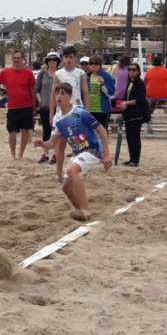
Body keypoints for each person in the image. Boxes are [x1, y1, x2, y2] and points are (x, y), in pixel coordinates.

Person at [33, 83, 111, 221]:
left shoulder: (80, 113)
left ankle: (85, 209)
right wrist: (42, 144)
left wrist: (107, 154)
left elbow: (102, 131)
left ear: (70, 96)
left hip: (92, 149)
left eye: (63, 93)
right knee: (66, 188)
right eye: (57, 93)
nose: (59, 96)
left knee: (71, 170)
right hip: (78, 152)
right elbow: (53, 143)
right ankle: (81, 211)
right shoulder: (57, 118)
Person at [0, 50, 37, 160]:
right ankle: (13, 155)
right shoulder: (6, 72)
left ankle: (21, 154)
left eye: (18, 58)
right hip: (12, 107)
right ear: (12, 59)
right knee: (12, 132)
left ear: (22, 59)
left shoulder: (28, 73)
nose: (16, 60)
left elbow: (33, 90)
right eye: (14, 58)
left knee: (25, 131)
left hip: (26, 106)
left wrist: (34, 106)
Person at [50, 45, 89, 124]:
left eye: (71, 57)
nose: (68, 59)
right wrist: (51, 115)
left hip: (77, 109)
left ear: (75, 57)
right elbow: (53, 94)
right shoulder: (57, 74)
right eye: (66, 57)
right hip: (61, 111)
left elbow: (86, 93)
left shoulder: (81, 73)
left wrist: (87, 112)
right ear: (63, 58)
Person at [119, 62, 148, 166]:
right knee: (129, 137)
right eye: (129, 69)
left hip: (136, 114)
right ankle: (132, 158)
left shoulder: (140, 83)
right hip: (128, 113)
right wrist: (123, 103)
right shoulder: (129, 83)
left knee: (135, 137)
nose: (131, 71)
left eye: (134, 70)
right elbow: (126, 96)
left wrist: (126, 103)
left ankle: (135, 160)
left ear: (138, 72)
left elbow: (139, 99)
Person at [36, 52, 60, 164]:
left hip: (58, 108)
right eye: (50, 60)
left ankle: (55, 154)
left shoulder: (60, 74)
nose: (52, 62)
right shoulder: (42, 74)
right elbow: (37, 89)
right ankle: (45, 154)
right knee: (46, 130)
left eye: (54, 60)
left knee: (57, 131)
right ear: (47, 62)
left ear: (57, 62)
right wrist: (40, 101)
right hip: (44, 106)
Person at [85, 55, 115, 129]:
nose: (93, 65)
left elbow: (110, 93)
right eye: (91, 63)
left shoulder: (106, 76)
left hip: (103, 110)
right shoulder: (86, 77)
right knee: (90, 132)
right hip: (89, 110)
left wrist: (103, 84)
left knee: (102, 132)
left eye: (96, 63)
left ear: (100, 65)